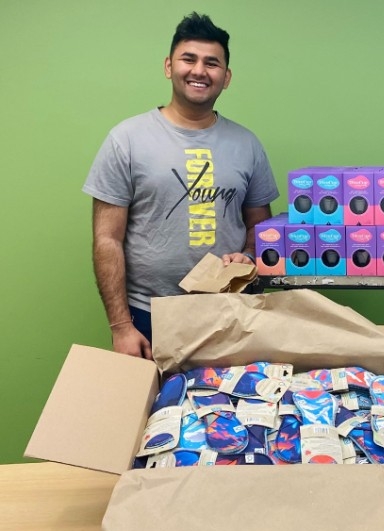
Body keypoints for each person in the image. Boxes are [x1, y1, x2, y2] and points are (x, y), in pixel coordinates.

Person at [83, 12, 279, 360]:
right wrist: (121, 326)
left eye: (212, 63)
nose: (199, 70)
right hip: (147, 316)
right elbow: (106, 239)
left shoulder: (247, 144)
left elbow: (260, 228)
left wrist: (248, 256)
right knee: (150, 412)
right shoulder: (126, 139)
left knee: (225, 411)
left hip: (229, 311)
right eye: (188, 59)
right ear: (168, 66)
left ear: (226, 76)